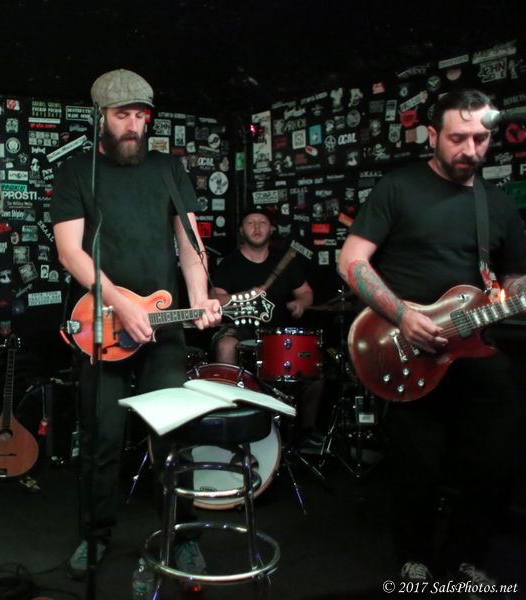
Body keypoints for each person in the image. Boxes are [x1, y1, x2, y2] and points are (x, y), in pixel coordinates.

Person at [337, 89, 526, 586]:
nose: (470, 149)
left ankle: (467, 556)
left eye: (480, 139)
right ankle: (414, 555)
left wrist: (517, 295)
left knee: (497, 457)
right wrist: (402, 316)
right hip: (410, 347)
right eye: (458, 138)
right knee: (417, 463)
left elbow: (513, 277)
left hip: (474, 346)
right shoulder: (399, 188)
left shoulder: (497, 205)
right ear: (432, 135)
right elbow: (351, 260)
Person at [51, 69, 221, 579]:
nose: (133, 125)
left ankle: (182, 535)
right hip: (101, 323)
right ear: (100, 118)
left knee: (173, 432)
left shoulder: (168, 169)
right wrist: (121, 304)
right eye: (122, 115)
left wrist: (200, 301)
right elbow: (69, 251)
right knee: (102, 438)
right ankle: (95, 536)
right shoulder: (77, 172)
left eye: (140, 116)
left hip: (163, 324)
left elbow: (190, 247)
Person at [209, 208, 322, 444]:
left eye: (262, 222)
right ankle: (232, 421)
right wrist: (246, 296)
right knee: (226, 345)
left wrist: (301, 303)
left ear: (271, 229)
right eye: (251, 223)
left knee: (314, 366)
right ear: (242, 231)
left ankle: (305, 432)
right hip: (241, 329)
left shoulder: (284, 261)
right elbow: (214, 299)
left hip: (277, 333)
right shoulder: (230, 263)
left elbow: (307, 292)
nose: (257, 227)